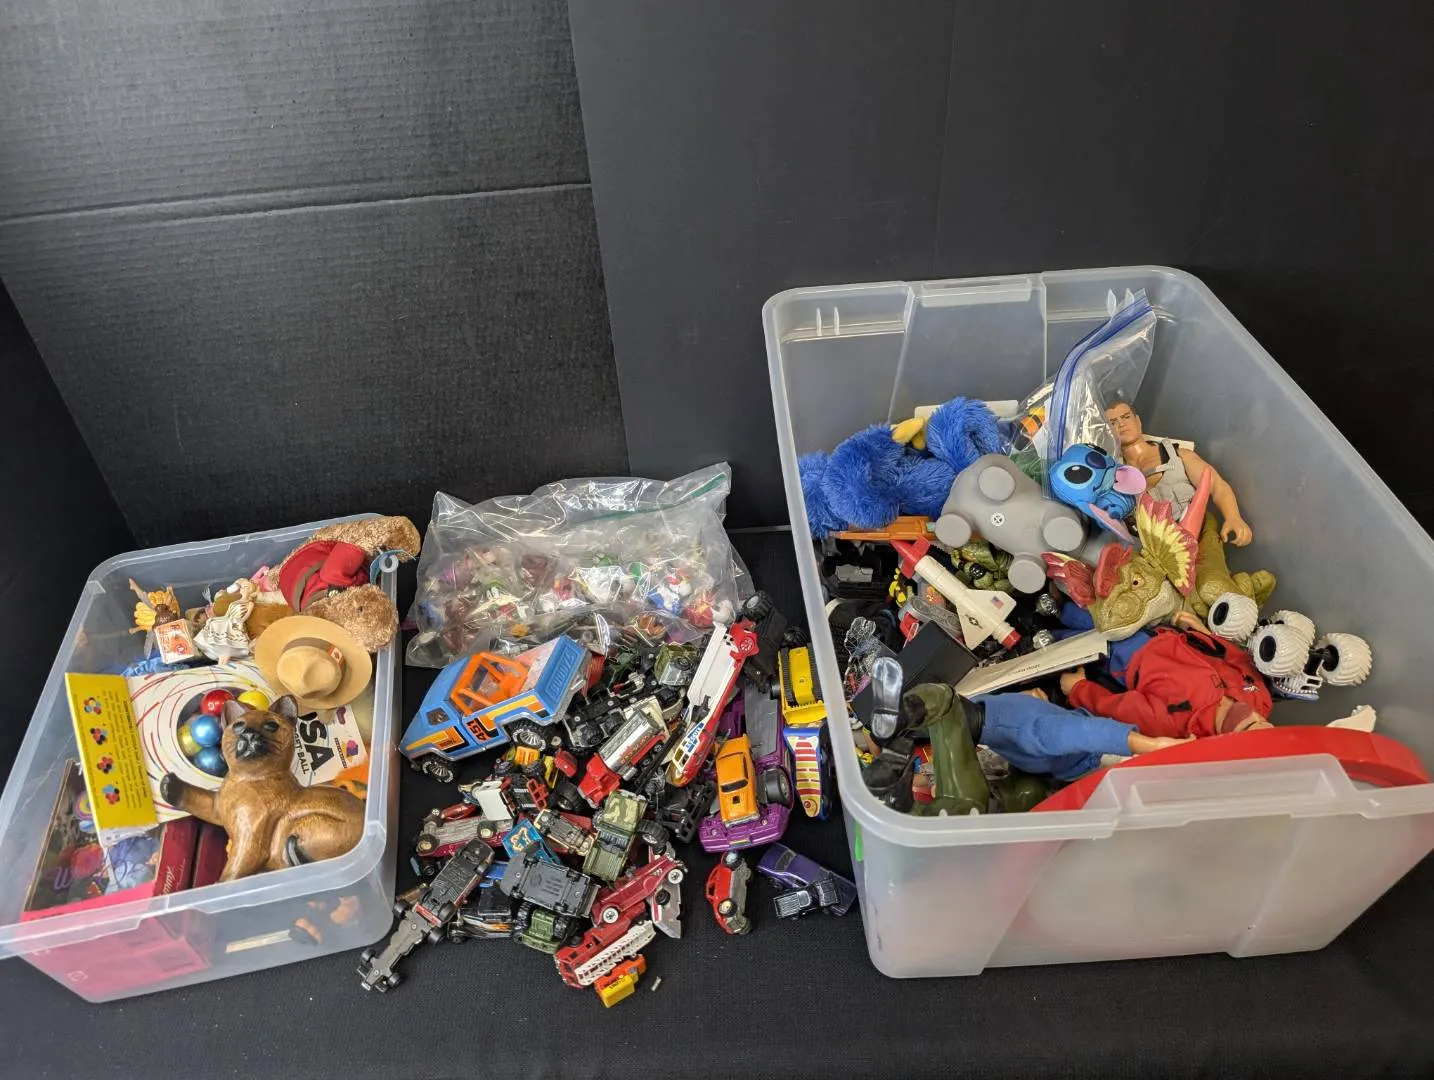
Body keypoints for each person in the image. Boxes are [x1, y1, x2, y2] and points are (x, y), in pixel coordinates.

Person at [1104, 400, 1254, 546]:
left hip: (1197, 542)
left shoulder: (1179, 456)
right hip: (1152, 552)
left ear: (1138, 421)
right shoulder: (1112, 478)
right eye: (1113, 422)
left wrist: (1233, 517)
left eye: (1126, 417)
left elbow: (1217, 486)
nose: (1121, 424)